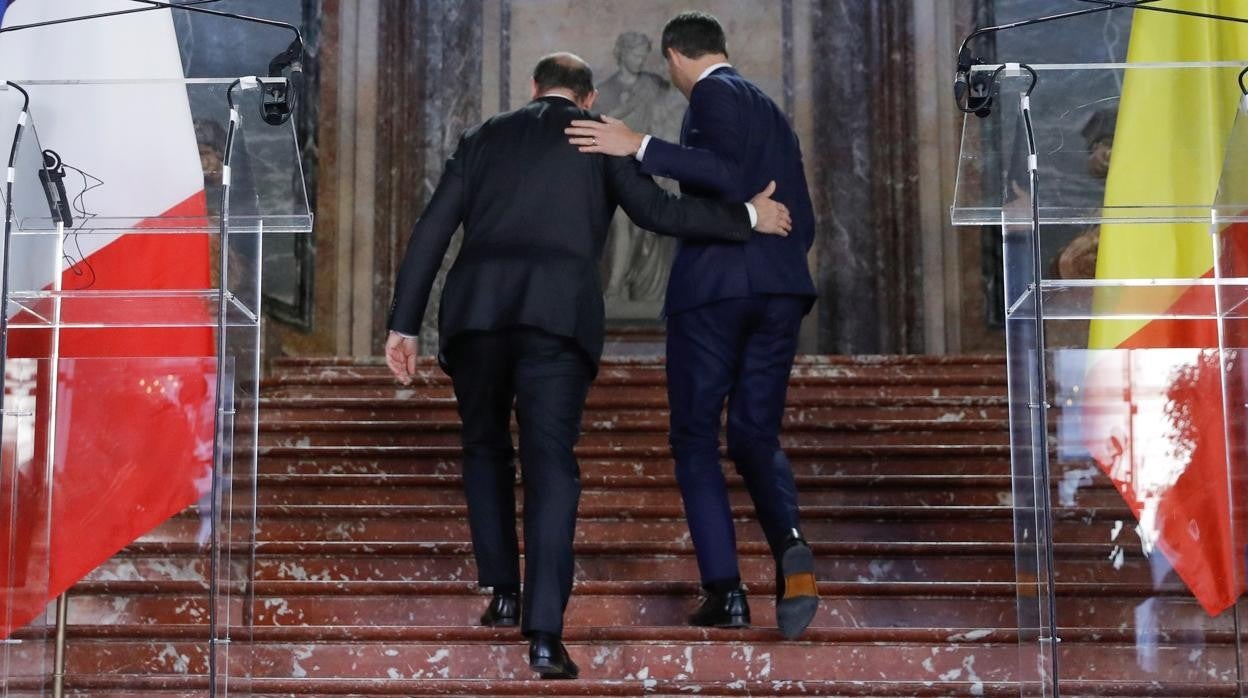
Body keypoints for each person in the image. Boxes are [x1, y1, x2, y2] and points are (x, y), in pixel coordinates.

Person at [383, 52, 792, 680]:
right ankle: (544, 634)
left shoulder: (483, 137)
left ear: (533, 88)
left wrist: (403, 323)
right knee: (552, 468)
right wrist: (748, 216)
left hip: (476, 318)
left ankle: (502, 591)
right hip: (558, 319)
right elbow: (660, 215)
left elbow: (432, 229)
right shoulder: (599, 139)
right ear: (590, 98)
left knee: (485, 448)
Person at [565, 11, 820, 640]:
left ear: (674, 56)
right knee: (756, 434)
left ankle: (726, 590)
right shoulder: (768, 108)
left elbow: (725, 174)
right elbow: (802, 220)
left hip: (715, 294)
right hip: (781, 292)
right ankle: (791, 552)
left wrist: (639, 146)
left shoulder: (712, 94)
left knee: (696, 439)